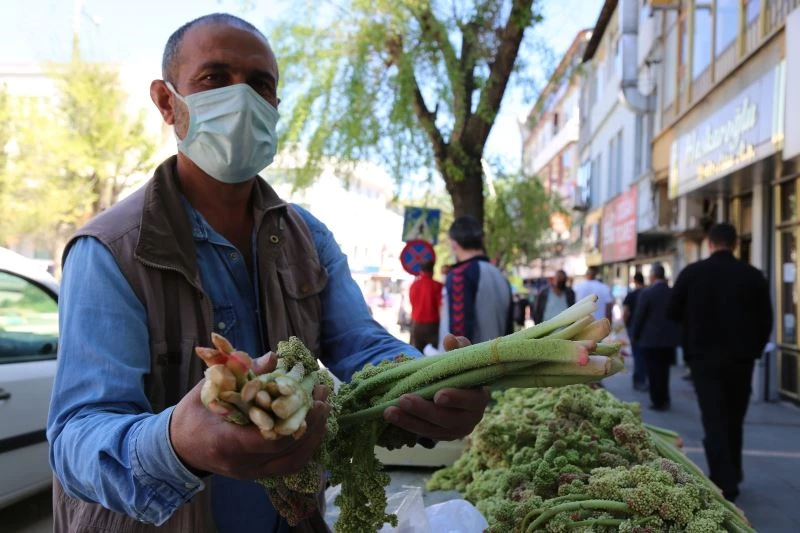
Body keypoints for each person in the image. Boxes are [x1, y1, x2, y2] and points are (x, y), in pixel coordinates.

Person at [46, 14, 490, 533]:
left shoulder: (308, 236)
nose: (242, 99)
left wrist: (429, 381)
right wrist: (177, 441)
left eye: (260, 85)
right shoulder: (111, 250)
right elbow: (77, 435)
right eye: (214, 78)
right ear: (168, 103)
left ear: (275, 107)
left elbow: (361, 345)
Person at [668, 223, 772, 503]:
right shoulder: (753, 276)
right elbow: (766, 320)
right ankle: (733, 472)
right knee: (734, 418)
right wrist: (754, 350)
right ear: (735, 244)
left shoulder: (693, 273)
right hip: (741, 360)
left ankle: (723, 480)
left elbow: (672, 310)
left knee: (713, 418)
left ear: (710, 244)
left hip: (704, 359)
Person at [439, 215, 513, 345]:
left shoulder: (459, 275)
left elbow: (458, 340)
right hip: (499, 359)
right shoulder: (500, 276)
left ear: (454, 243)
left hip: (473, 363)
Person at [630, 263, 680, 411]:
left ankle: (657, 400)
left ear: (652, 276)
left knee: (653, 371)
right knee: (664, 371)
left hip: (650, 340)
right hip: (668, 340)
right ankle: (665, 399)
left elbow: (639, 317)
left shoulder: (647, 293)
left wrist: (635, 335)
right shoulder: (672, 293)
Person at [408, 259, 443, 351]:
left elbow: (412, 302)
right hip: (432, 327)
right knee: (433, 356)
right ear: (432, 270)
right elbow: (441, 308)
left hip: (416, 325)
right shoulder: (437, 286)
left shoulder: (413, 285)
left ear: (421, 270)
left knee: (417, 356)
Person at [623, 272, 647, 391]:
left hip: (634, 328)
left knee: (637, 355)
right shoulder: (648, 292)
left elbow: (625, 312)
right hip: (647, 330)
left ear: (635, 281)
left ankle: (639, 380)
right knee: (645, 355)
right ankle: (644, 379)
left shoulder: (631, 295)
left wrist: (626, 324)